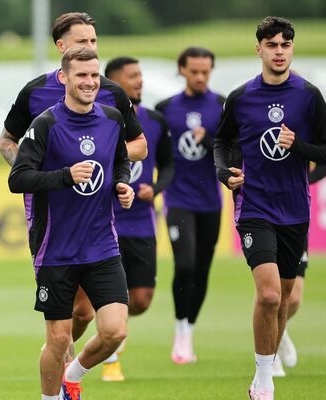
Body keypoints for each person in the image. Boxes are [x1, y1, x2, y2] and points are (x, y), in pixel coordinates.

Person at [0, 12, 147, 353]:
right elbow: (6, 142)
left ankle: (62, 359)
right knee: (76, 310)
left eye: (94, 41)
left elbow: (139, 146)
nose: (91, 47)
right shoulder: (35, 92)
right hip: (52, 217)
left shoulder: (110, 93)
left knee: (89, 312)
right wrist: (39, 168)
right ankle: (58, 356)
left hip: (98, 210)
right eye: (82, 41)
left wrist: (103, 160)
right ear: (61, 46)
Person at [9, 46, 133, 400]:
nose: (90, 82)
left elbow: (120, 161)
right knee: (59, 338)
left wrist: (122, 184)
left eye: (94, 75)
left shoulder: (112, 119)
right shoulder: (45, 124)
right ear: (64, 77)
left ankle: (71, 376)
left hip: (101, 244)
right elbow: (18, 179)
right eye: (81, 75)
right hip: (55, 248)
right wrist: (65, 176)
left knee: (114, 331)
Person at [214, 16, 326, 400]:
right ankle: (263, 379)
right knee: (269, 295)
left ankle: (272, 353)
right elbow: (222, 143)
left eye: (286, 45)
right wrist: (223, 171)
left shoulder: (309, 96)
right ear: (258, 48)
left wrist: (298, 147)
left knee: (287, 297)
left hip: (295, 210)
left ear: (291, 48)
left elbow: (324, 152)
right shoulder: (241, 97)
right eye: (272, 45)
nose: (279, 52)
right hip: (254, 207)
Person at [100, 56, 174, 381]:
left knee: (141, 299)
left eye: (141, 75)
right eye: (132, 76)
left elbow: (169, 165)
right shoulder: (102, 119)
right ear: (115, 83)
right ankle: (111, 354)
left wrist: (154, 189)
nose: (140, 81)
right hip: (107, 223)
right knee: (110, 295)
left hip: (143, 222)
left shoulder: (155, 121)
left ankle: (110, 323)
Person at [155, 47, 224, 364]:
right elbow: (153, 151)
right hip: (177, 199)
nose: (200, 77)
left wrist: (208, 140)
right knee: (184, 265)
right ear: (182, 69)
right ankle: (179, 329)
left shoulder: (223, 106)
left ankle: (189, 329)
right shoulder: (165, 108)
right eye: (194, 71)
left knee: (202, 268)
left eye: (205, 72)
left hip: (210, 200)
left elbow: (232, 153)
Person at [277, 163, 326, 374]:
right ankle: (268, 358)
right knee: (269, 291)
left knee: (294, 298)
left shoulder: (303, 130)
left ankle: (277, 329)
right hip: (262, 214)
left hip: (296, 216)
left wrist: (308, 178)